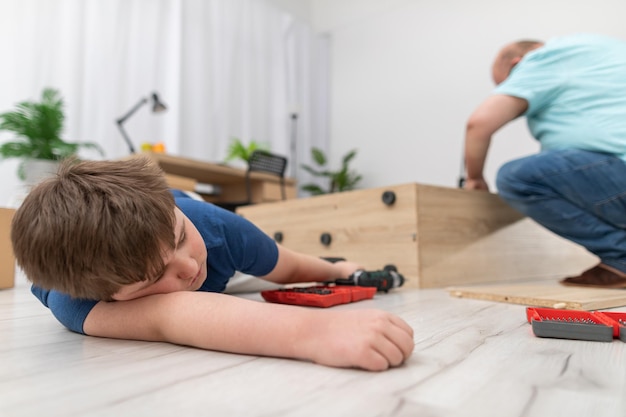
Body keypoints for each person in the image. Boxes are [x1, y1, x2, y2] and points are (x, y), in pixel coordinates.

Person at [11, 157, 414, 371]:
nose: (187, 268)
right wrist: (317, 335)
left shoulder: (216, 229)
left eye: (181, 240)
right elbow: (173, 315)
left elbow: (290, 268)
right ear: (110, 295)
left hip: (188, 204)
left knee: (283, 260)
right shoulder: (78, 301)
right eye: (155, 277)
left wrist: (339, 269)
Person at [463, 33, 626, 288]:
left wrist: (474, 178)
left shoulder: (541, 59)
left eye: (509, 83)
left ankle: (621, 256)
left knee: (516, 178)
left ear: (516, 64)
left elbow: (479, 124)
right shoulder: (603, 49)